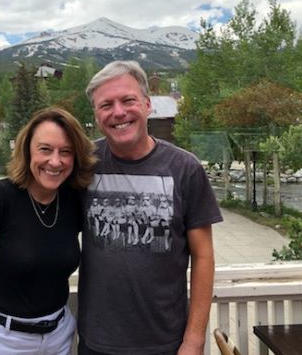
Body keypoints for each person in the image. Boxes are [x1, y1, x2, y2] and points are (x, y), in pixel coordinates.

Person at [78, 61, 223, 355]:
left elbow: (203, 257)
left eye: (128, 100)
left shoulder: (185, 168)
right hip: (97, 343)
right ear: (96, 115)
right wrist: (4, 255)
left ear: (147, 105)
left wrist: (194, 340)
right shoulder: (83, 164)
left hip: (166, 343)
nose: (118, 112)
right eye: (106, 105)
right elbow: (40, 213)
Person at [0, 107, 96, 355]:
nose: (55, 161)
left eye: (66, 152)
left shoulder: (73, 200)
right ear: (27, 150)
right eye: (45, 149)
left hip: (58, 337)